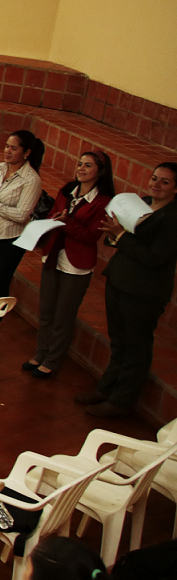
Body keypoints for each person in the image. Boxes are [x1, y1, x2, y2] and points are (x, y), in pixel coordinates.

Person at [82, 162, 177, 416]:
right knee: (119, 340)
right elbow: (117, 239)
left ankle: (122, 402)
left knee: (136, 346)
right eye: (154, 177)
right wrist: (114, 234)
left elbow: (155, 258)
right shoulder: (142, 202)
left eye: (164, 182)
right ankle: (107, 388)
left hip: (144, 291)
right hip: (119, 280)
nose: (156, 184)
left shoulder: (173, 219)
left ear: (176, 189)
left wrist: (122, 236)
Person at [24, 150, 114, 379]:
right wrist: (54, 220)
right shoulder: (67, 190)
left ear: (100, 172)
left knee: (63, 315)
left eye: (88, 166)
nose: (81, 169)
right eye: (79, 163)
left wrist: (66, 223)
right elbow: (54, 213)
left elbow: (91, 236)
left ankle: (53, 360)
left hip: (76, 264)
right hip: (53, 255)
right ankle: (41, 353)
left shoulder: (103, 201)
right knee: (46, 311)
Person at [0, 131, 44, 305]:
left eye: (14, 148)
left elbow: (22, 215)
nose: (8, 151)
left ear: (26, 153)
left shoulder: (31, 179)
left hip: (9, 238)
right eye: (7, 146)